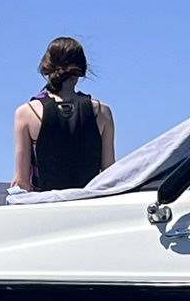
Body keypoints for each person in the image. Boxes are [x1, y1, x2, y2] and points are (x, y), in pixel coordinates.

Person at [12, 37, 116, 192]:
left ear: (46, 67)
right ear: (81, 69)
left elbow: (22, 181)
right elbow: (110, 175)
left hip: (47, 204)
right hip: (89, 202)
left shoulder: (26, 113)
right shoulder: (102, 112)